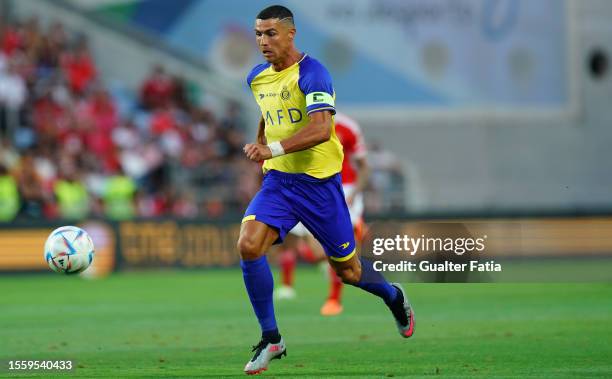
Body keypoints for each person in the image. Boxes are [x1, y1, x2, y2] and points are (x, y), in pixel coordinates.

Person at [238, 5, 414, 375]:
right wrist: (261, 146)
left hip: (320, 188)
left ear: (291, 33)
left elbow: (320, 129)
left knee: (348, 272)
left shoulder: (314, 73)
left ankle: (394, 296)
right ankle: (271, 338)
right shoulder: (257, 77)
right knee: (248, 244)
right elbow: (268, 113)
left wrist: (272, 149)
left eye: (270, 33)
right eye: (258, 33)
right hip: (280, 183)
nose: (263, 41)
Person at [275, 112, 370, 317]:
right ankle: (290, 283)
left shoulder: (347, 126)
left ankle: (334, 299)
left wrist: (355, 192)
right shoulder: (298, 122)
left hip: (344, 189)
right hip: (309, 187)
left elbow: (364, 166)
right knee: (316, 252)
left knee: (341, 249)